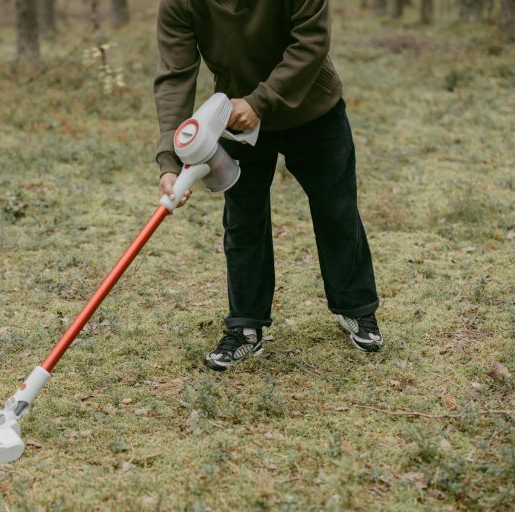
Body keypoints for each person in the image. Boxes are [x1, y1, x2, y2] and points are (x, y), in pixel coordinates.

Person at [153, 0, 383, 371]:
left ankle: (356, 308)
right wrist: (170, 161)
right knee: (243, 219)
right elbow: (175, 76)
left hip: (314, 109)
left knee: (336, 209)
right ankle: (246, 326)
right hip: (234, 119)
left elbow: (310, 41)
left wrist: (260, 102)